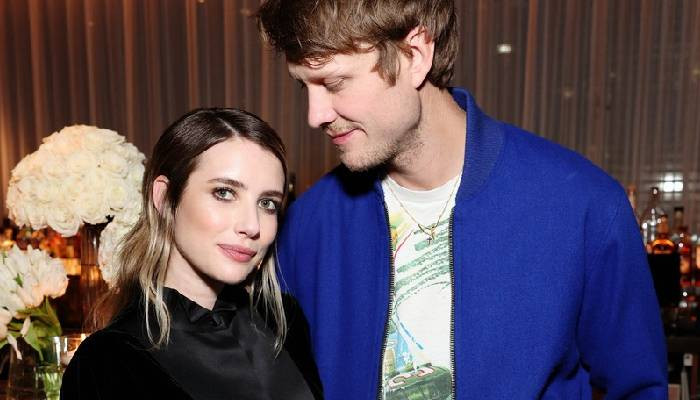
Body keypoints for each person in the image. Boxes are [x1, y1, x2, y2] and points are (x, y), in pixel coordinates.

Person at [257, 1, 667, 399]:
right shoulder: (307, 227)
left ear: (415, 55)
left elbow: (637, 386)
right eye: (304, 86)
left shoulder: (582, 206)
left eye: (334, 83)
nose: (315, 115)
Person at [61, 109, 322, 399]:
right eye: (224, 193)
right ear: (164, 198)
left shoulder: (283, 320)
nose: (252, 225)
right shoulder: (109, 361)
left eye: (267, 203)